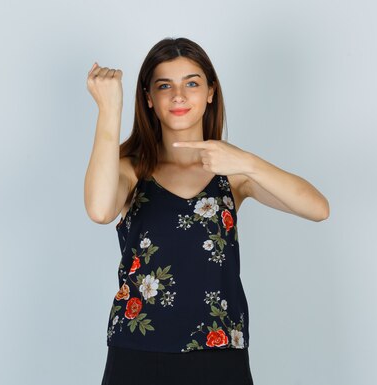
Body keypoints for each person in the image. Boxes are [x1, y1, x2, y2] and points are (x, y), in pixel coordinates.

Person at [84, 37, 329, 385]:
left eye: (192, 83)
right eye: (165, 85)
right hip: (136, 355)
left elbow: (318, 208)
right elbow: (98, 210)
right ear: (149, 98)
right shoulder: (131, 169)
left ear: (211, 91)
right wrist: (109, 111)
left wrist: (245, 160)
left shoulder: (234, 173)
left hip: (220, 357)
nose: (179, 95)